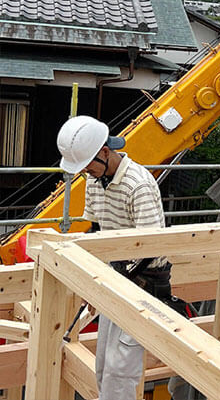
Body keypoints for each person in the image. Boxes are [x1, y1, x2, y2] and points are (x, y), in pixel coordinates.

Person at [57, 115, 170, 400]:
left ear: (105, 152)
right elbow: (98, 232)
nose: (86, 173)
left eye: (88, 166)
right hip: (114, 273)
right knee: (103, 365)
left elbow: (151, 246)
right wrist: (92, 284)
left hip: (142, 280)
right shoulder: (96, 180)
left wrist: (113, 280)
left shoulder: (138, 185)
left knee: (121, 369)